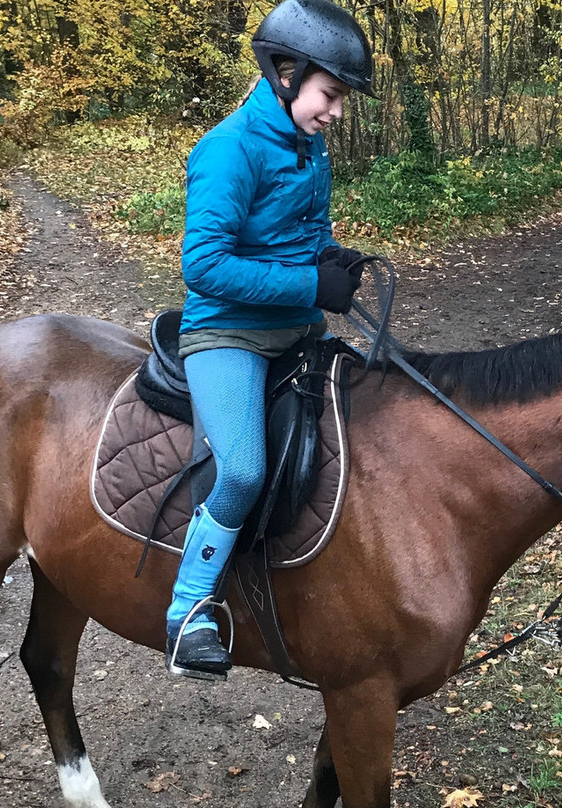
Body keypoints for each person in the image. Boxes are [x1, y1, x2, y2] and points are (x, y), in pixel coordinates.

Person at [165, 0, 377, 680]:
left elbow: (306, 238)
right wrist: (311, 287)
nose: (336, 112)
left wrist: (334, 259)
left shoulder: (308, 147)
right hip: (227, 335)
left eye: (339, 100)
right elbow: (203, 265)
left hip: (298, 332)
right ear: (287, 75)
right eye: (331, 95)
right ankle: (187, 611)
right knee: (245, 470)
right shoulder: (227, 149)